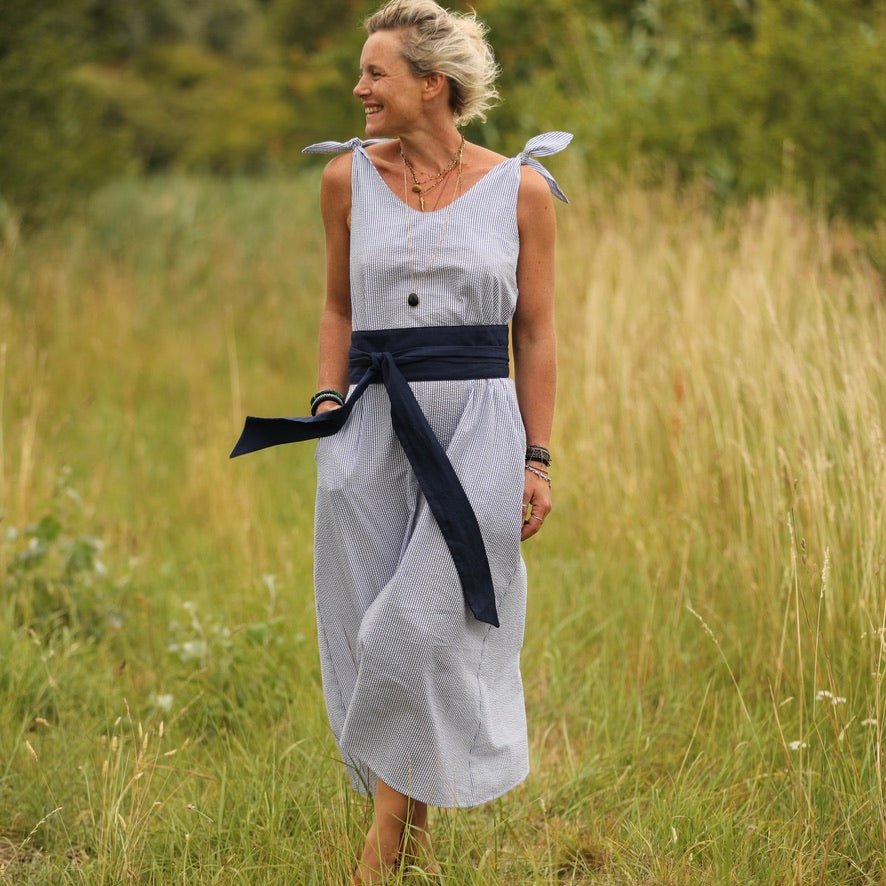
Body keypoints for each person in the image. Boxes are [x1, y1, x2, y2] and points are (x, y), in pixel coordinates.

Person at [231, 0, 569, 880]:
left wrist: (536, 458)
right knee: (366, 631)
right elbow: (337, 306)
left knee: (415, 632)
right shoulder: (344, 180)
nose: (359, 88)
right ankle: (413, 844)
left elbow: (536, 334)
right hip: (371, 429)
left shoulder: (523, 189)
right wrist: (326, 401)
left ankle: (379, 855)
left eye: (375, 73)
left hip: (479, 433)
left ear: (432, 83)